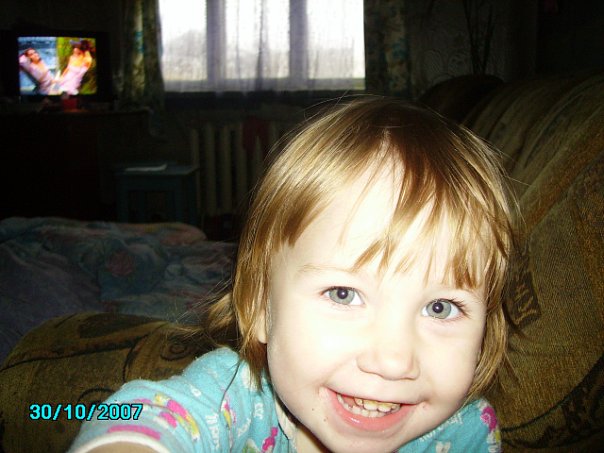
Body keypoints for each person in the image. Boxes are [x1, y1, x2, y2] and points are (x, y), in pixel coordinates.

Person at [69, 98, 516, 452]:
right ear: (260, 308)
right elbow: (147, 416)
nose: (394, 361)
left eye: (440, 307)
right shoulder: (238, 396)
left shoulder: (466, 434)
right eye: (343, 294)